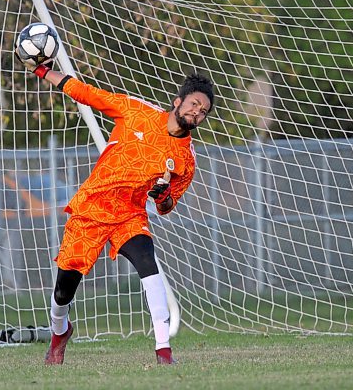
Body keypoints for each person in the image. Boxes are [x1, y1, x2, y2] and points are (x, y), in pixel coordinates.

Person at [15, 50, 214, 365]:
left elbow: (167, 206)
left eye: (203, 111)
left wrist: (162, 197)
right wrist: (44, 73)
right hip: (92, 207)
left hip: (129, 215)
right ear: (178, 102)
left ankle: (164, 351)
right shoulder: (137, 112)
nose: (197, 113)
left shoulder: (187, 160)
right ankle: (59, 332)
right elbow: (88, 94)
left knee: (148, 263)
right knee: (63, 292)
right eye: (193, 104)